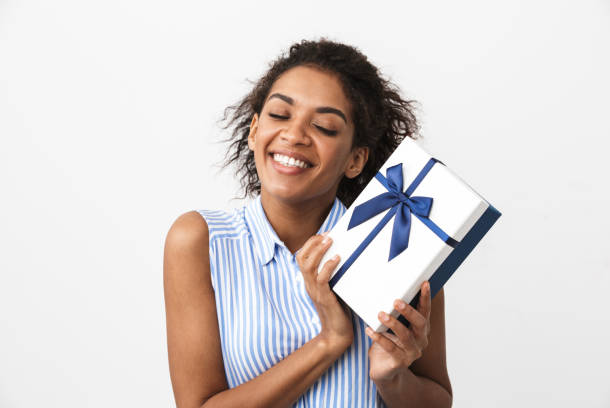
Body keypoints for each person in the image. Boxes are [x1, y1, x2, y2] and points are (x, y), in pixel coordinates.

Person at [163, 38, 453, 408]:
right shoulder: (200, 241)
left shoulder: (405, 243)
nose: (294, 135)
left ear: (355, 160)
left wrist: (392, 378)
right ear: (254, 131)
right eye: (280, 115)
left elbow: (438, 401)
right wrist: (329, 341)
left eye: (325, 127)